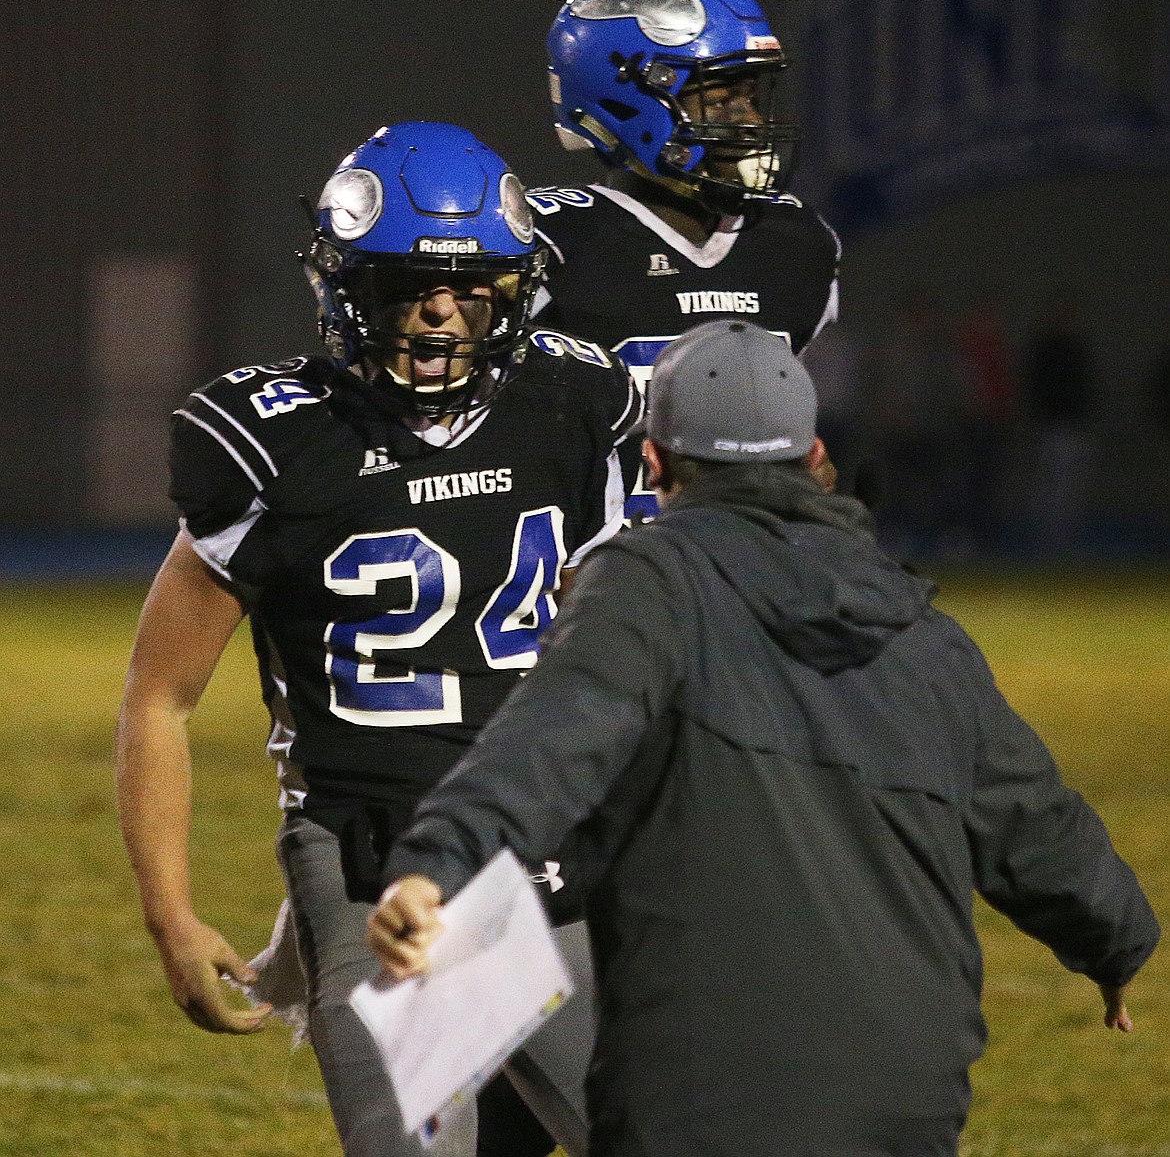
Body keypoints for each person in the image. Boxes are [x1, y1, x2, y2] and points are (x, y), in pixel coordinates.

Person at [367, 319, 1159, 1157]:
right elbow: (1037, 823)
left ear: (655, 464)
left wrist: (437, 863)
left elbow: (547, 740)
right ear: (815, 457)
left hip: (703, 1092)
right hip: (908, 1096)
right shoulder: (923, 631)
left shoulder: (651, 582)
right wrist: (1114, 942)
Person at [115, 121, 643, 1157]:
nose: (443, 312)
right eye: (409, 284)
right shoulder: (280, 438)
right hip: (369, 861)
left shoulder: (571, 403)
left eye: (471, 283)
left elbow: (609, 648)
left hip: (545, 850)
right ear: (347, 287)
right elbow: (160, 695)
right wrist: (171, 917)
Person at [528, 0, 841, 513]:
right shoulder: (546, 242)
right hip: (594, 583)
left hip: (742, 579)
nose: (747, 121)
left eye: (750, 95)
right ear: (626, 101)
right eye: (720, 99)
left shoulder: (793, 242)